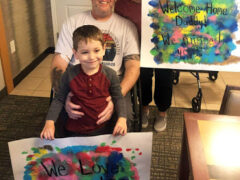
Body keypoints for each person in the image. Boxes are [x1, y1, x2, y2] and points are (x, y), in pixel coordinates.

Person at [51, 0, 140, 131]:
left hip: (113, 81)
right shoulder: (72, 22)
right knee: (58, 115)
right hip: (77, 79)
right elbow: (59, 62)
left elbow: (133, 65)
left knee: (125, 117)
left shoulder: (127, 26)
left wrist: (116, 97)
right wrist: (64, 96)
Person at [41, 25, 127, 140]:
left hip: (103, 130)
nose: (91, 57)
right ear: (76, 54)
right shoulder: (69, 74)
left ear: (103, 49)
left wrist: (122, 119)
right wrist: (49, 122)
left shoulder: (110, 74)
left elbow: (118, 98)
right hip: (74, 130)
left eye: (96, 50)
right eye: (85, 52)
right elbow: (59, 99)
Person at [115, 0, 173, 132]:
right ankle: (144, 107)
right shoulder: (123, 4)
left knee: (164, 78)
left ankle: (162, 112)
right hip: (138, 47)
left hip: (165, 45)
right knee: (143, 78)